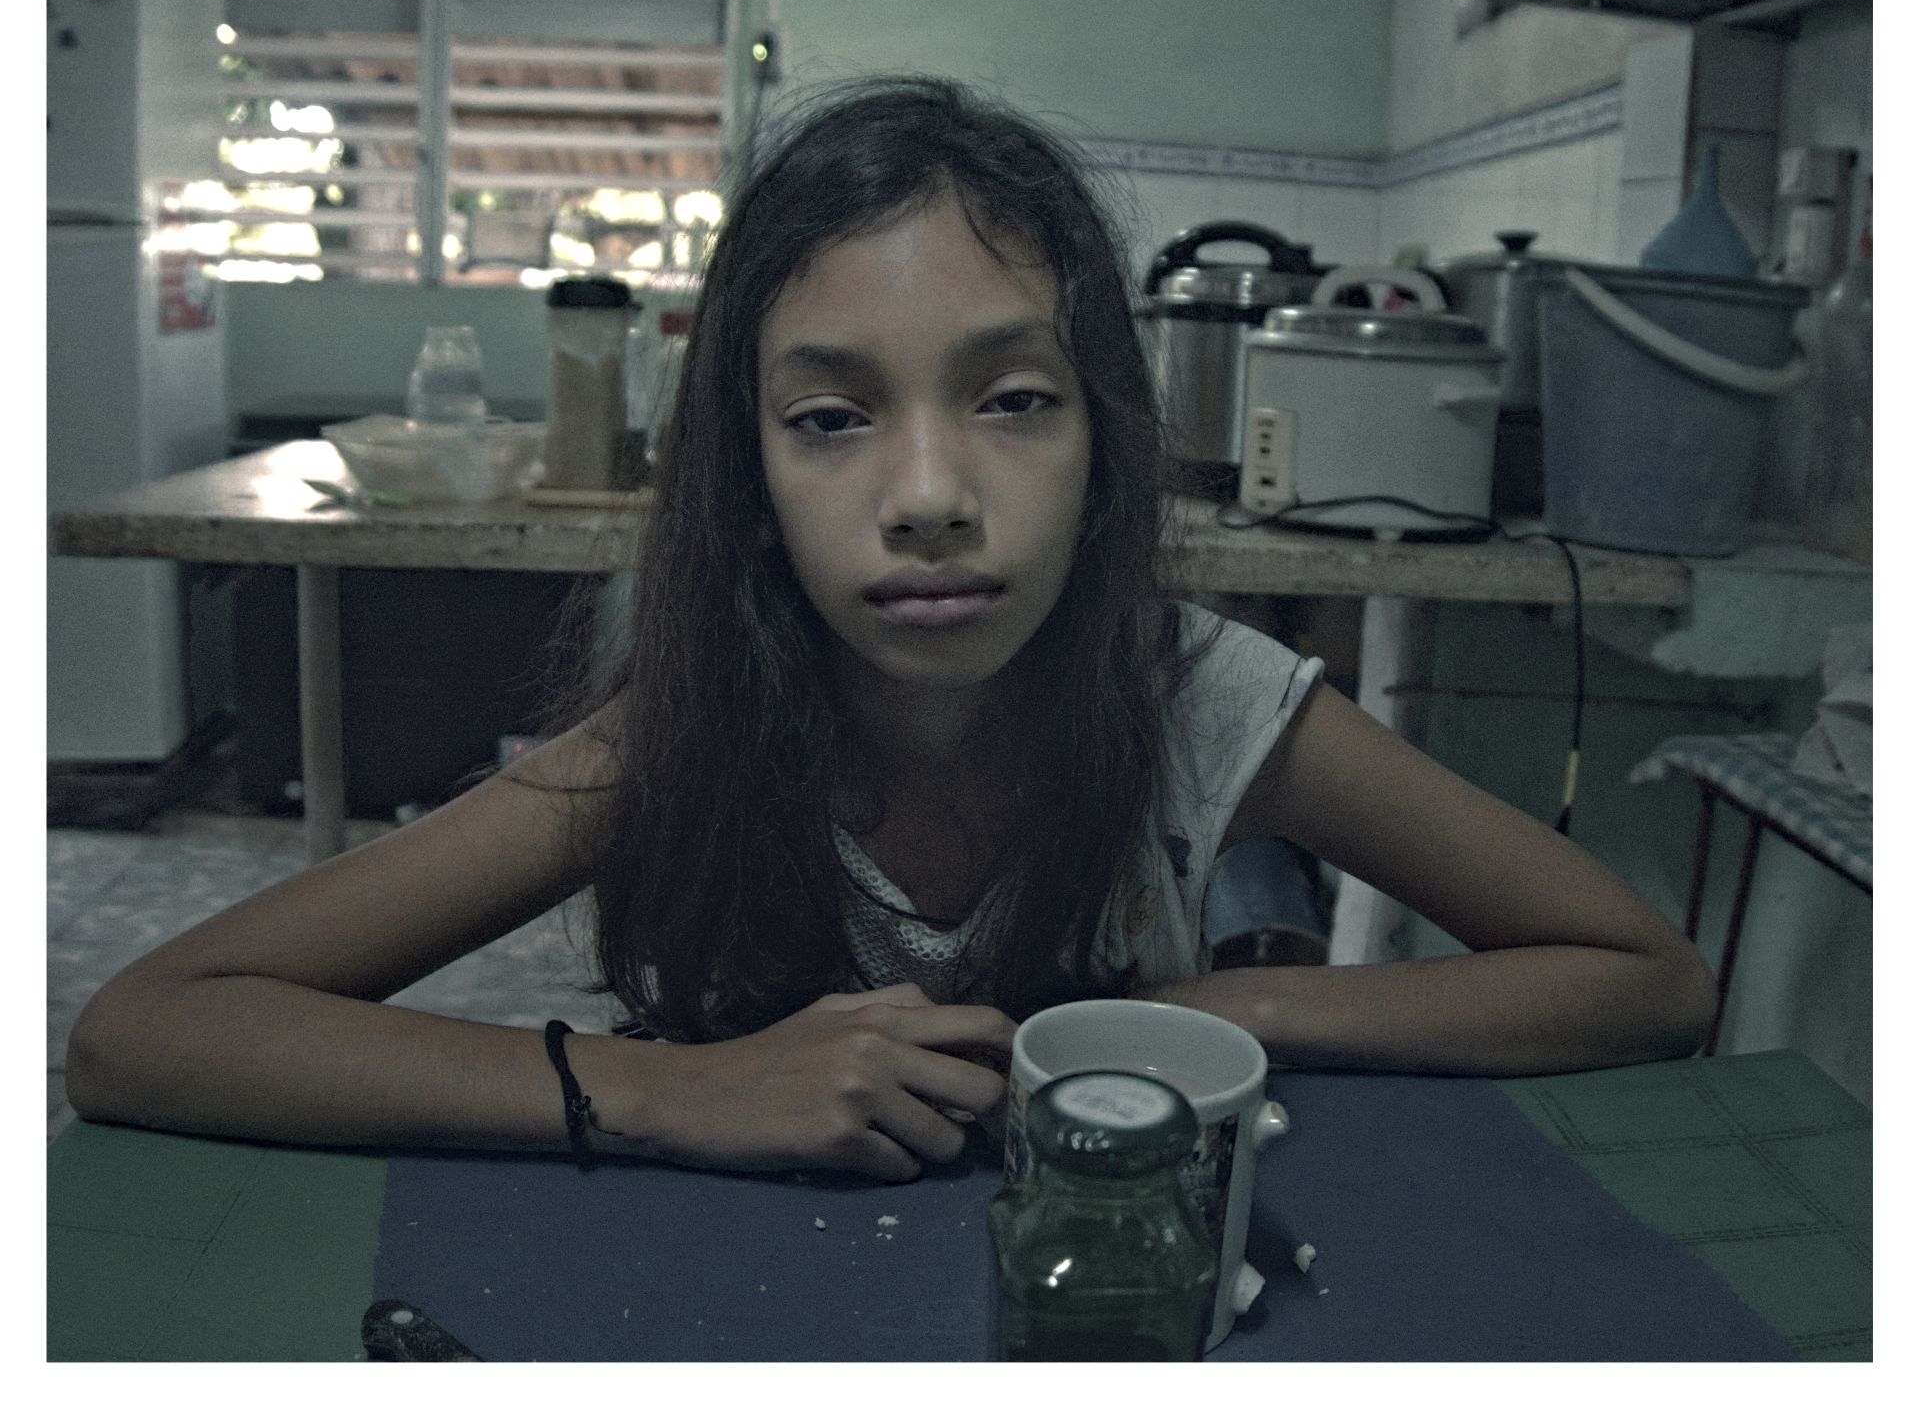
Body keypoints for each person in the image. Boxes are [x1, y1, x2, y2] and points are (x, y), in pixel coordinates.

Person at [67, 76, 1716, 1184]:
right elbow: (144, 1033)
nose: (930, 494)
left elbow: (1642, 979)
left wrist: (1232, 1006)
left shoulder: (1197, 696)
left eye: (1011, 401)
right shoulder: (681, 735)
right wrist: (667, 1090)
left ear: (1106, 442)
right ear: (750, 472)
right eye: (833, 420)